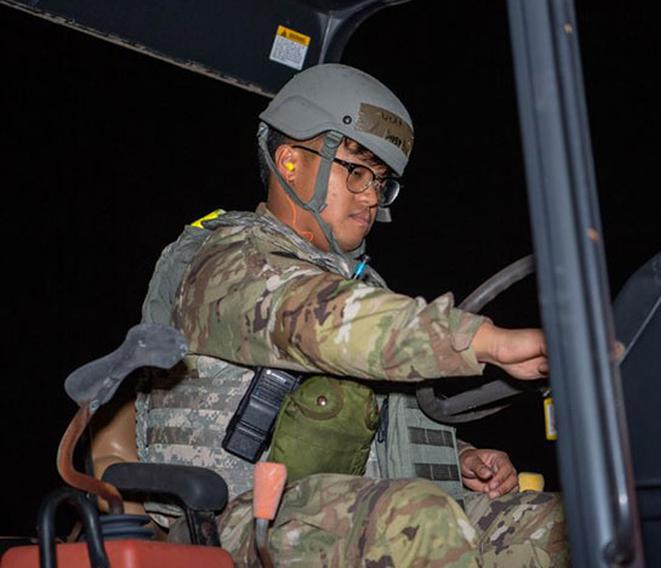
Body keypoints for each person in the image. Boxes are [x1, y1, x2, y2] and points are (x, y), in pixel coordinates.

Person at [124, 63, 567, 566]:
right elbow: (327, 321)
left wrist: (461, 457)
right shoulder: (229, 261)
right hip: (229, 520)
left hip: (344, 511)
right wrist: (486, 342)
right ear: (290, 162)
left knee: (564, 525)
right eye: (356, 171)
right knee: (414, 520)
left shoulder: (363, 285)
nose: (372, 196)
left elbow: (382, 418)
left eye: (381, 181)